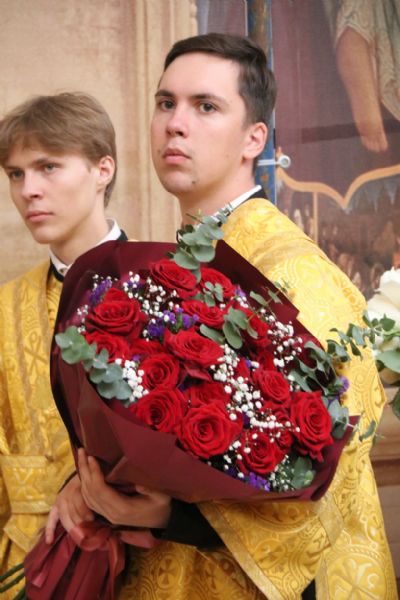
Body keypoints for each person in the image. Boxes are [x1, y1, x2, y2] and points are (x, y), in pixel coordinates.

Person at [47, 35, 397, 599]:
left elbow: (328, 477)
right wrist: (93, 483)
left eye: (205, 106)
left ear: (253, 138)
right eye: (166, 103)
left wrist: (173, 516)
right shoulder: (169, 266)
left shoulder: (294, 274)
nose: (175, 124)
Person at [0, 92, 126, 598]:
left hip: (144, 562)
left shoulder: (168, 286)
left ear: (102, 170)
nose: (29, 190)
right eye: (15, 174)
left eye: (48, 167)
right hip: (23, 562)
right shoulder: (5, 307)